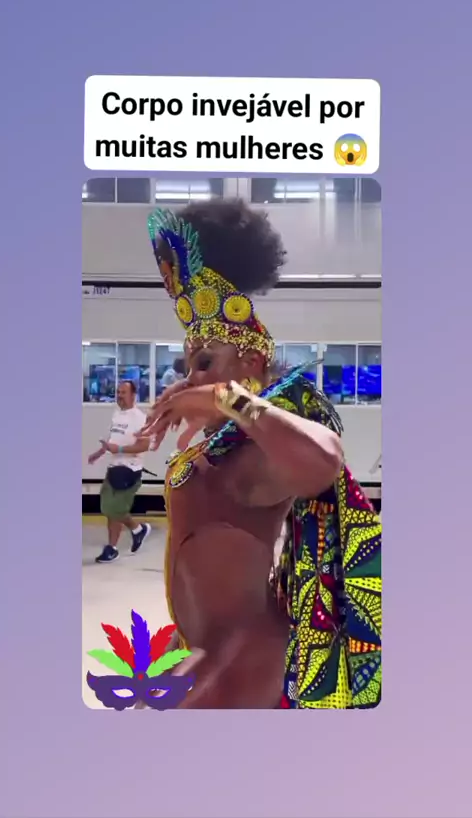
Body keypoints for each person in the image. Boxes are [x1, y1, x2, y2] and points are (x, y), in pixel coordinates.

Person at [138, 199, 382, 708]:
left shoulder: (256, 453)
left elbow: (326, 460)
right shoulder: (226, 444)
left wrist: (225, 399)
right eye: (189, 366)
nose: (191, 379)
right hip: (200, 649)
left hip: (243, 658)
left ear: (249, 362)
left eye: (205, 363)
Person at [88, 379, 152, 563]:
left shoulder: (140, 418)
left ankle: (118, 543)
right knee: (108, 508)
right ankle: (134, 533)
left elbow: (144, 445)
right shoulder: (117, 415)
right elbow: (112, 440)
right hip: (114, 467)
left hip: (129, 470)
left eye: (123, 392)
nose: (119, 396)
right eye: (118, 392)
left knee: (113, 508)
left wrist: (120, 450)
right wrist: (99, 453)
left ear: (133, 395)